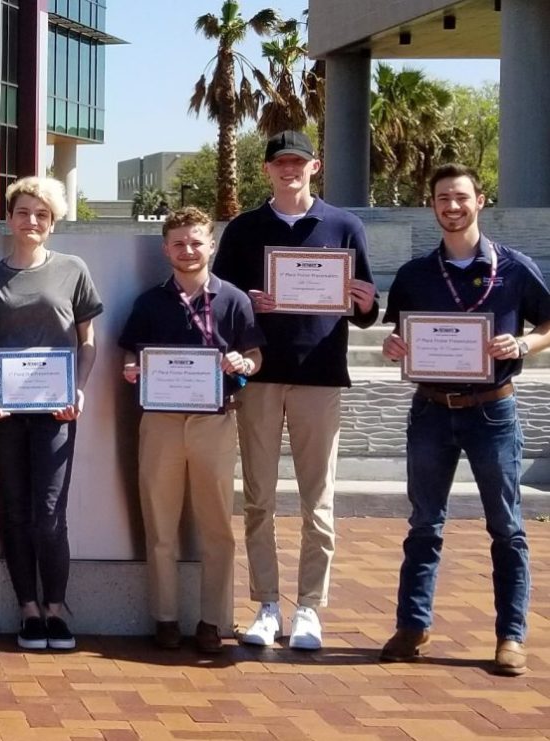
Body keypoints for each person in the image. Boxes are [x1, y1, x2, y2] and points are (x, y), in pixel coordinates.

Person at [211, 130, 380, 650]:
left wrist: (366, 300)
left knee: (318, 501)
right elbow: (219, 306)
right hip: (260, 378)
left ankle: (309, 607)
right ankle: (265, 603)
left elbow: (368, 312)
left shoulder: (344, 226)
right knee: (259, 498)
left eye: (298, 163)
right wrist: (248, 303)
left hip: (319, 376)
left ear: (315, 167)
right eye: (280, 163)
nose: (289, 170)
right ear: (267, 171)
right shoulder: (243, 229)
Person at [378, 164, 541, 677]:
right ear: (432, 206)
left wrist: (524, 343)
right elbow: (398, 334)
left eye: (461, 197)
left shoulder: (515, 268)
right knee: (424, 523)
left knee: (507, 527)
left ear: (480, 200)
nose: (452, 206)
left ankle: (510, 635)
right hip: (430, 410)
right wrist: (394, 346)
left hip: (493, 409)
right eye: (443, 198)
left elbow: (548, 323)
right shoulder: (414, 274)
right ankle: (413, 625)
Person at [118, 207, 263, 654]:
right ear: (166, 249)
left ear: (211, 245)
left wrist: (243, 363)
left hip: (214, 421)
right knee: (159, 523)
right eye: (178, 243)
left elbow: (255, 357)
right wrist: (130, 370)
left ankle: (213, 619)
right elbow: (128, 357)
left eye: (196, 241)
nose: (187, 250)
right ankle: (164, 617)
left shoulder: (235, 299)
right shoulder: (149, 301)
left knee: (217, 525)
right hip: (160, 422)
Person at [0, 176, 101, 652]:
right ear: (10, 217)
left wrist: (80, 391)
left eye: (42, 214)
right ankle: (28, 608)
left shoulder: (73, 270)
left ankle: (57, 608)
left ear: (53, 222)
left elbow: (87, 343)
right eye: (24, 212)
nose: (32, 221)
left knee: (49, 514)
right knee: (14, 509)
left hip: (58, 411)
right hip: (4, 412)